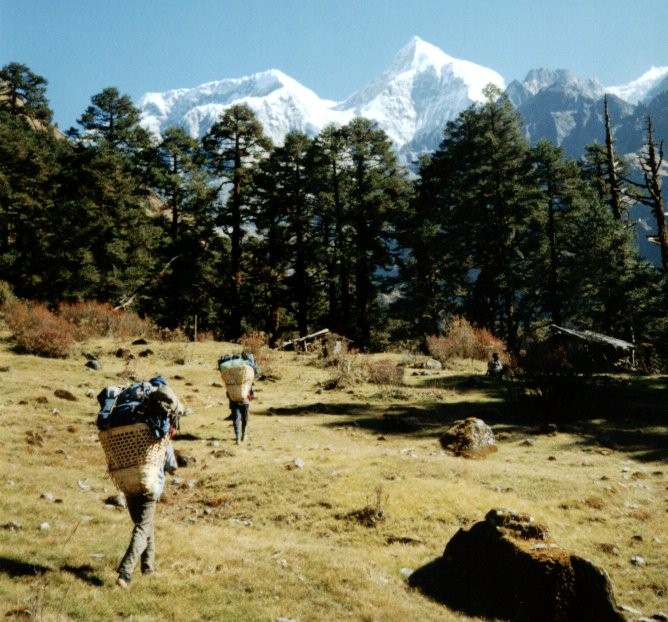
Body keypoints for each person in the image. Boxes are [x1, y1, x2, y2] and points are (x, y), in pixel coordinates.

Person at [116, 376, 184, 589]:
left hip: (127, 482)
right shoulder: (159, 435)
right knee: (143, 527)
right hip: (149, 484)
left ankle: (148, 567)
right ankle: (125, 572)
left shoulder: (130, 433)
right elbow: (172, 466)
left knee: (145, 526)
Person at [220, 353, 259, 444]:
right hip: (245, 399)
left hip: (233, 398)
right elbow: (256, 372)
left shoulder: (228, 371)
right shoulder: (246, 370)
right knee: (245, 418)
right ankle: (244, 435)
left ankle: (237, 437)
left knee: (236, 418)